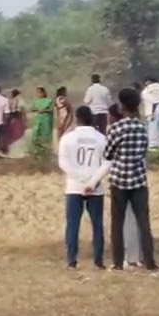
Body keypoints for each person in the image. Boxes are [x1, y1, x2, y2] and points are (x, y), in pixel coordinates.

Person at [99, 88, 157, 271]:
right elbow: (144, 151)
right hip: (139, 180)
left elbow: (107, 154)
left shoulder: (116, 128)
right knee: (144, 223)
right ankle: (150, 262)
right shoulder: (142, 127)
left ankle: (118, 263)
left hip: (119, 180)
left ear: (122, 106)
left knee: (117, 223)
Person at [57, 105, 107, 270]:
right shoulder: (101, 138)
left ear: (77, 119)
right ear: (91, 118)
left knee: (73, 224)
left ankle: (72, 260)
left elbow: (63, 163)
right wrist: (92, 181)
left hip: (74, 186)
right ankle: (98, 260)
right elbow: (107, 162)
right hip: (95, 187)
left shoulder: (67, 138)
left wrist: (81, 178)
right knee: (97, 224)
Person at [142, 77, 159, 149]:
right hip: (152, 112)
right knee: (152, 129)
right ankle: (152, 145)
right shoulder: (145, 92)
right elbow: (151, 101)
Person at [3, 89, 28, 159]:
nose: (10, 95)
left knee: (12, 134)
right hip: (14, 119)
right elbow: (24, 112)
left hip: (14, 119)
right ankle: (12, 150)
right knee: (16, 134)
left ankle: (11, 150)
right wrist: (25, 121)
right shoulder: (17, 101)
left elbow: (23, 112)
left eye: (11, 94)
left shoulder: (15, 101)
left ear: (13, 94)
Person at [29, 87, 54, 155]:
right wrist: (37, 109)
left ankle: (46, 151)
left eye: (40, 92)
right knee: (35, 135)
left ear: (44, 93)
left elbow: (52, 110)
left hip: (46, 120)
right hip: (38, 120)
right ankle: (37, 150)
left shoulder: (49, 100)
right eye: (37, 92)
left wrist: (44, 110)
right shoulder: (36, 101)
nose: (38, 94)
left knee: (45, 135)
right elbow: (31, 109)